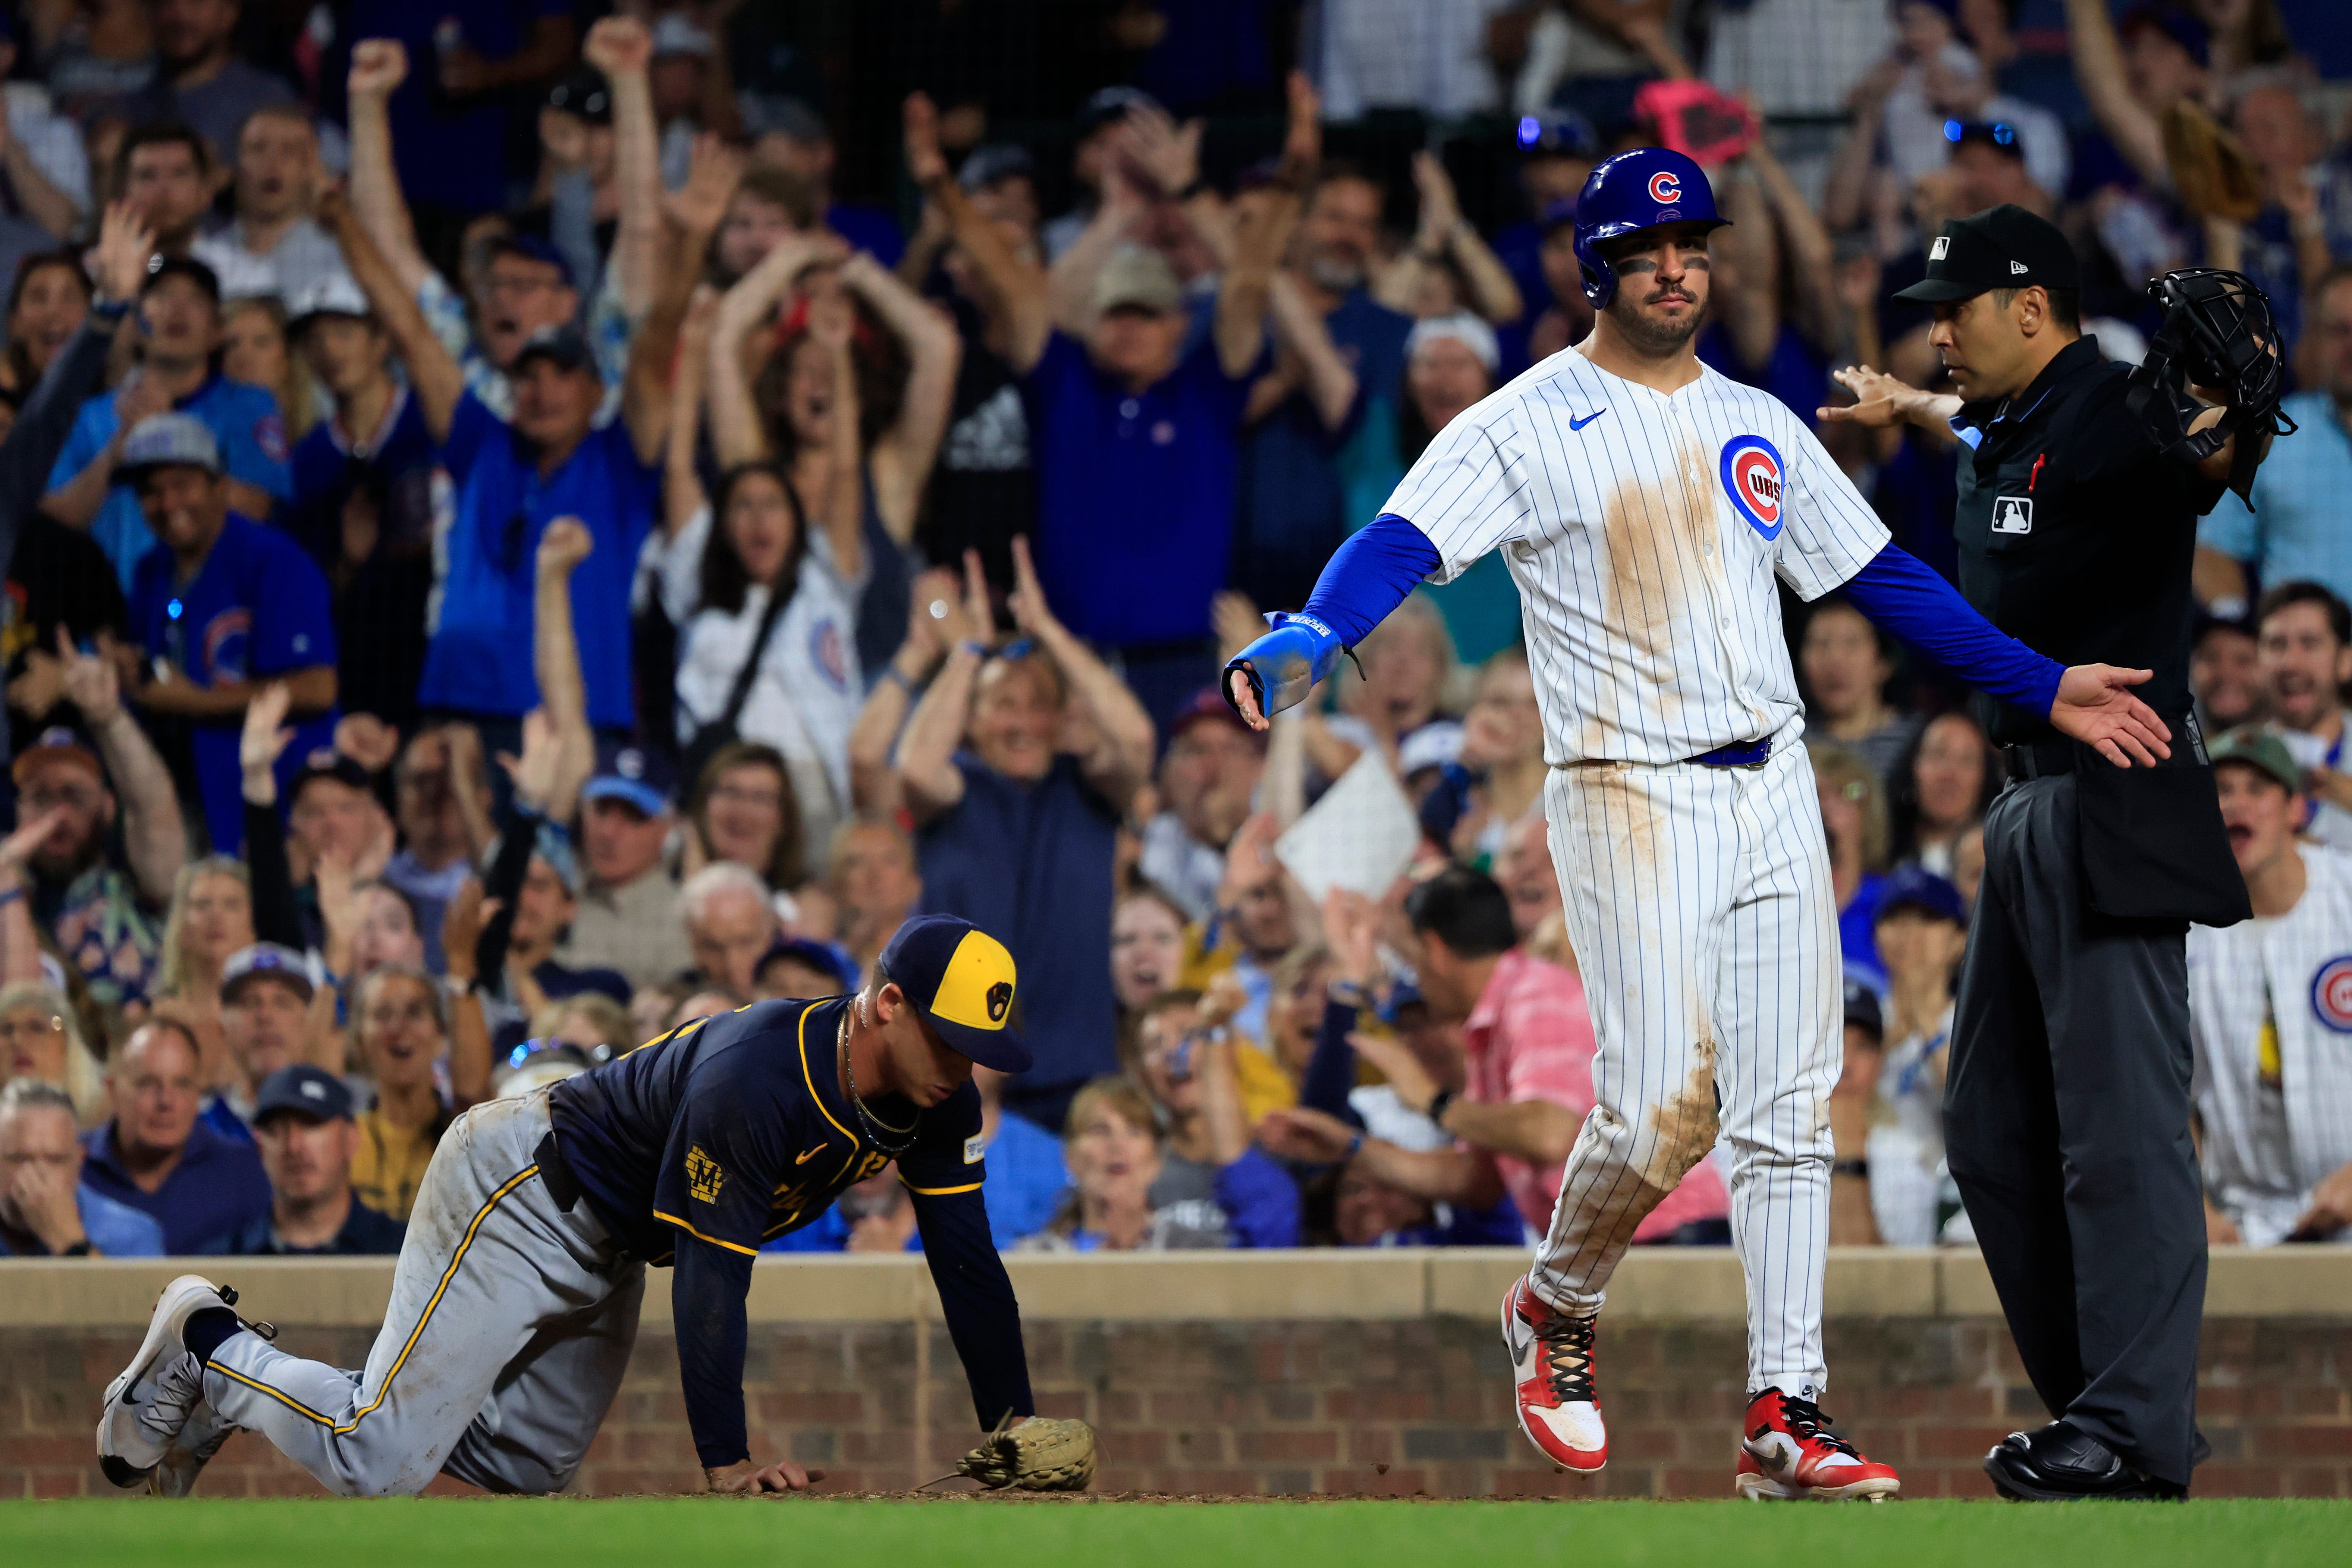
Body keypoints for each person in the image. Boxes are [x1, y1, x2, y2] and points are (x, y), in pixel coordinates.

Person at [1227, 151, 2173, 1499]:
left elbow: (1881, 575)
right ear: (1596, 266)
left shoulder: (1757, 420)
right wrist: (1322, 626)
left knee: (1789, 1111)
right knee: (1659, 1103)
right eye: (1647, 243)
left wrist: (2039, 680)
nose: (1677, 263)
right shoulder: (1526, 417)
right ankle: (1554, 1304)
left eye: (1693, 242)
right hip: (1624, 787)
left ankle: (1785, 1408)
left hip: (1772, 782)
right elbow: (1399, 538)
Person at [1829, 202, 2283, 1500]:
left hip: (2111, 786)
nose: (1934, 332)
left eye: (1952, 311)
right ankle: (2113, 1410)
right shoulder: (2021, 418)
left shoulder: (2111, 413)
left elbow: (2179, 461)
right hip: (2024, 804)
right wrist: (1910, 407)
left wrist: (2225, 412)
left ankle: (2129, 1430)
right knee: (1987, 1130)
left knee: (2121, 1136)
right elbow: (1993, 442)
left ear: (2030, 305)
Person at [103, 915, 1087, 1502]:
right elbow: (713, 1277)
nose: (963, 1067)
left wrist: (1012, 1421)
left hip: (613, 1233)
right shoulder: (759, 1078)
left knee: (527, 1463)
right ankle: (214, 1347)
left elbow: (965, 1259)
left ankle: (289, 1393)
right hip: (527, 1184)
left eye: (976, 1050)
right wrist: (728, 1458)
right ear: (887, 1005)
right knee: (382, 1460)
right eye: (949, 1039)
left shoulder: (935, 1096)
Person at [323, 108, 702, 755]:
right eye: (530, 375)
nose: (543, 390)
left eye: (563, 375)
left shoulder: (622, 460)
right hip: (456, 707)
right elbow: (412, 332)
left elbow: (656, 341)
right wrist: (337, 219)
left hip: (581, 717)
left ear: (595, 393)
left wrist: (692, 241)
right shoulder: (482, 442)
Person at [897, 540, 1154, 1131]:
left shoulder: (1088, 790)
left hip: (1075, 1077)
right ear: (972, 719)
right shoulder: (955, 788)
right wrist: (967, 651)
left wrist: (1048, 633)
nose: (1022, 723)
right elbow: (911, 767)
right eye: (1002, 706)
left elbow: (1137, 739)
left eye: (1039, 705)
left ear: (1062, 718)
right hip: (956, 1074)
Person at [117, 413, 337, 854]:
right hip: (194, 792)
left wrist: (192, 702)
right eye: (151, 491)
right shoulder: (154, 570)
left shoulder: (273, 561)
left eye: (182, 484)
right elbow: (164, 646)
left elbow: (317, 687)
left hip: (278, 797)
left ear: (219, 484)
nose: (167, 502)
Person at [2187, 727, 2352, 1249]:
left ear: (2295, 810)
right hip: (2243, 1225)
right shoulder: (2181, 936)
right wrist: (2195, 1207)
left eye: (2256, 790)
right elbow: (2169, 1097)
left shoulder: (2346, 894)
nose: (2236, 804)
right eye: (2220, 790)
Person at [43, 252, 291, 590]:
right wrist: (117, 452)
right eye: (161, 295)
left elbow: (255, 509)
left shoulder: (249, 405)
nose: (178, 308)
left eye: (195, 298)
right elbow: (57, 521)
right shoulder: (90, 417)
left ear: (217, 331)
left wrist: (167, 435)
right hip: (106, 615)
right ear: (135, 328)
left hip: (215, 611)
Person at [281, 271, 438, 737]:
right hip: (353, 668)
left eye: (345, 332)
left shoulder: (430, 427)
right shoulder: (309, 458)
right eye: (316, 338)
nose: (330, 350)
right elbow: (306, 592)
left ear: (382, 340)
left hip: (432, 664)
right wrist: (348, 562)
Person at [8, 657, 185, 1020]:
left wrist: (110, 718)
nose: (57, 815)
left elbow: (153, 808)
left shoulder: (134, 882)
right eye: (40, 797)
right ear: (18, 809)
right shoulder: (5, 882)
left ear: (108, 806)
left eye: (73, 796)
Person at [2195, 268, 2352, 616]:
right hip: (2299, 664)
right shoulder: (2274, 433)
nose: (2351, 345)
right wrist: (2235, 626)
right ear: (2313, 340)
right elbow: (2213, 549)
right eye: (2339, 331)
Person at [79, 1017, 270, 1253]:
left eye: (182, 1085)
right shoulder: (72, 1168)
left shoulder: (245, 1174)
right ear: (113, 1090)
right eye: (147, 1084)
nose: (166, 1102)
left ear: (198, 1094)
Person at [214, 1063, 406, 1256]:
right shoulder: (222, 1264)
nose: (293, 1146)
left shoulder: (407, 1255)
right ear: (259, 1146)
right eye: (276, 1129)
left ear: (351, 1139)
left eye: (310, 1124)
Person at [558, 743, 690, 992]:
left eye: (633, 816)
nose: (608, 832)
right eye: (602, 810)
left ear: (667, 829)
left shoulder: (682, 918)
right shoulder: (554, 894)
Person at [114, 0, 295, 166]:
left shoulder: (267, 100)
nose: (178, 15)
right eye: (164, 3)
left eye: (195, 3)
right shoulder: (127, 107)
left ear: (229, 12)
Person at [0, 1078, 164, 1256]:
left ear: (80, 1161)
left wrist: (69, 1242)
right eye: (19, 1159)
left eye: (55, 1160)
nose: (37, 1178)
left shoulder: (133, 1236)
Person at [1138, 691, 1263, 923]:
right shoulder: (1154, 844)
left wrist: (1227, 842)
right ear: (1170, 772)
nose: (1214, 765)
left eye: (1230, 749)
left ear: (1258, 768)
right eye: (1197, 750)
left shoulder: (1275, 835)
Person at [207, 104, 342, 308]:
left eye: (289, 150)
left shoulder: (338, 256)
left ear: (312, 166)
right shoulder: (207, 256)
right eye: (258, 148)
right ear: (235, 165)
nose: (273, 163)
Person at [2254, 581, 2352, 850]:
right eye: (2276, 644)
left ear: (2345, 661)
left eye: (2309, 644)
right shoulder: (2234, 761)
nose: (2290, 663)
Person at [1800, 597, 1921, 783]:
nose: (1835, 660)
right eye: (1821, 644)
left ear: (1884, 663)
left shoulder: (1920, 743)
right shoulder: (1790, 746)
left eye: (1851, 643)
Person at [209, 940, 315, 1140]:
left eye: (282, 1002)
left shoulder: (337, 1121)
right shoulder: (198, 1130)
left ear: (308, 1025)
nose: (265, 1015)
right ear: (223, 1027)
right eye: (249, 1002)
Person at [1888, 710, 1998, 874]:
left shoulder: (2001, 861)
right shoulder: (1879, 851)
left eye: (1967, 760)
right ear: (1913, 766)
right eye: (1938, 754)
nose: (1949, 774)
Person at [688, 744, 806, 894]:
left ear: (784, 821)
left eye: (760, 798)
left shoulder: (808, 910)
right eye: (731, 793)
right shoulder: (655, 900)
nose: (743, 811)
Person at [0, 980, 107, 1124]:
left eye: (36, 1028)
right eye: (7, 1030)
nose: (18, 1041)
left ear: (67, 1043)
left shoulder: (100, 1124)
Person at [828, 818, 921, 981]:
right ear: (836, 885)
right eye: (857, 862)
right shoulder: (818, 967)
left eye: (889, 860)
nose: (875, 874)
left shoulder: (938, 966)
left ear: (915, 885)